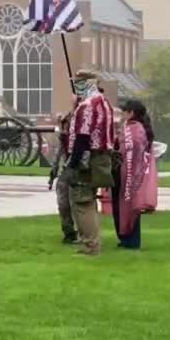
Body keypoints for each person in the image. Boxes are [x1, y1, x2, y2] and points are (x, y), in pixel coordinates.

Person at [64, 70, 115, 257]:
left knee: (82, 201)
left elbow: (82, 137)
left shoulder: (86, 105)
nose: (76, 86)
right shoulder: (104, 102)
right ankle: (92, 243)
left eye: (79, 82)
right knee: (89, 200)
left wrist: (72, 164)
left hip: (87, 159)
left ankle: (90, 246)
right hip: (102, 157)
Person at [113, 99, 157, 250]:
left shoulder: (135, 130)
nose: (123, 114)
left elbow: (131, 150)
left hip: (129, 173)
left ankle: (131, 241)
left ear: (131, 113)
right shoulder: (133, 128)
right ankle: (127, 239)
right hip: (129, 172)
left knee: (129, 206)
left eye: (125, 111)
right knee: (126, 206)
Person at [50, 109, 77, 244]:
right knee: (63, 204)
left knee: (78, 205)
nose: (66, 127)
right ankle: (69, 232)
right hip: (64, 174)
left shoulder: (80, 138)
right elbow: (58, 154)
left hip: (77, 173)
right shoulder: (64, 138)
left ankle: (82, 232)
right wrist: (53, 172)